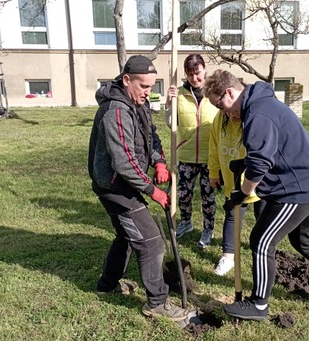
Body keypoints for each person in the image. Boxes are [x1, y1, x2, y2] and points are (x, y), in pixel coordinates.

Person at [203, 69, 309, 321]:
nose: (222, 112)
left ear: (230, 92)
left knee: (262, 240)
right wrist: (242, 162)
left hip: (299, 189)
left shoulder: (257, 113)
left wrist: (242, 194)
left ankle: (258, 305)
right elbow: (274, 149)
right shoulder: (262, 104)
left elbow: (261, 163)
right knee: (304, 241)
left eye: (219, 104)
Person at [88, 55, 189, 321]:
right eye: (143, 86)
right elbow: (123, 161)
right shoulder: (116, 111)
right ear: (126, 80)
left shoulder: (138, 104)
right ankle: (157, 303)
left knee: (127, 237)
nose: (148, 92)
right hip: (115, 187)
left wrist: (159, 162)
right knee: (152, 242)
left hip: (127, 183)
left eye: (152, 86)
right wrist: (152, 190)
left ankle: (106, 286)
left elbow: (151, 135)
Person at [165, 54, 218, 248]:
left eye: (197, 73)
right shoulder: (178, 94)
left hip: (209, 156)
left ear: (204, 69)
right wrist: (169, 104)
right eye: (190, 74)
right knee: (183, 194)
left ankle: (208, 229)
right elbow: (172, 124)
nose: (194, 78)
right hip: (186, 155)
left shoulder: (214, 92)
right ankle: (186, 223)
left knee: (208, 196)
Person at [208, 111, 266, 276]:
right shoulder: (219, 118)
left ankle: (264, 251)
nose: (229, 113)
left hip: (258, 181)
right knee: (232, 216)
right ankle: (228, 257)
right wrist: (213, 172)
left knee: (263, 217)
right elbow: (213, 146)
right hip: (232, 178)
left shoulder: (253, 118)